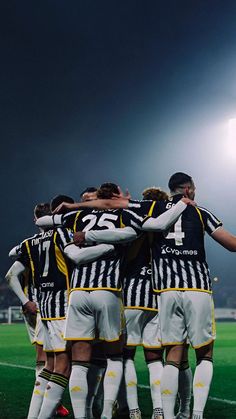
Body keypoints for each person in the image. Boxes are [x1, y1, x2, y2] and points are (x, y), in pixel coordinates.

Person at [141, 172, 236, 419]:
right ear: (188, 189)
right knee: (204, 353)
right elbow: (232, 244)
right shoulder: (201, 212)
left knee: (173, 353)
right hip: (197, 288)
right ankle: (196, 414)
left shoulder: (154, 209)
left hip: (166, 290)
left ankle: (169, 415)